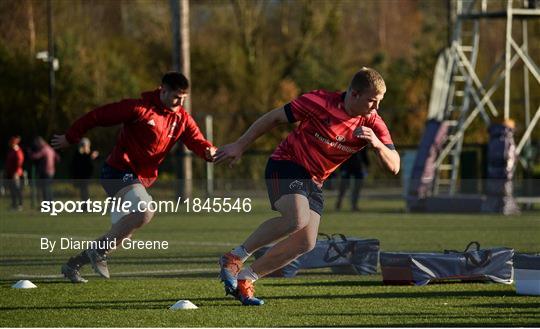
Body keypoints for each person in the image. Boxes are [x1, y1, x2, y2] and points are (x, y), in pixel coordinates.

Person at [215, 67, 400, 306]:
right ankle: (234, 258)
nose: (376, 108)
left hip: (314, 180)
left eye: (379, 103)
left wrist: (377, 144)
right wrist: (240, 145)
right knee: (297, 218)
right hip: (286, 164)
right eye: (372, 101)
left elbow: (394, 165)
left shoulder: (373, 123)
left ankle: (246, 279)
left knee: (306, 242)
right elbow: (273, 118)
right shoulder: (319, 101)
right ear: (354, 94)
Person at [51, 72, 217, 283]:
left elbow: (197, 141)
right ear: (162, 90)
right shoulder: (139, 108)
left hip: (138, 180)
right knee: (146, 210)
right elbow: (98, 116)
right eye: (176, 96)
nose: (181, 102)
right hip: (117, 171)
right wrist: (70, 137)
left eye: (184, 97)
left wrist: (209, 151)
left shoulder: (181, 118)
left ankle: (73, 265)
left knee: (122, 233)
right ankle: (97, 253)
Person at [28, 136, 59, 202]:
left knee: (45, 189)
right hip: (51, 171)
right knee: (49, 188)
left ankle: (47, 204)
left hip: (46, 172)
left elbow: (36, 156)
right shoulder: (50, 149)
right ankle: (50, 203)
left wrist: (30, 153)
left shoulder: (44, 149)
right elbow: (57, 158)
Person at [70, 137, 99, 207]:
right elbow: (75, 165)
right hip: (81, 176)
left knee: (85, 190)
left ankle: (86, 205)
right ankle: (85, 204)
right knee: (83, 190)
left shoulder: (90, 154)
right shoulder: (78, 154)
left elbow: (91, 165)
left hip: (87, 176)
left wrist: (92, 157)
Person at [4, 136, 25, 210]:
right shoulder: (12, 151)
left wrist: (16, 172)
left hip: (16, 174)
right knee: (12, 189)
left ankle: (20, 204)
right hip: (10, 173)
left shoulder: (17, 151)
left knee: (17, 189)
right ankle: (14, 204)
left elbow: (19, 162)